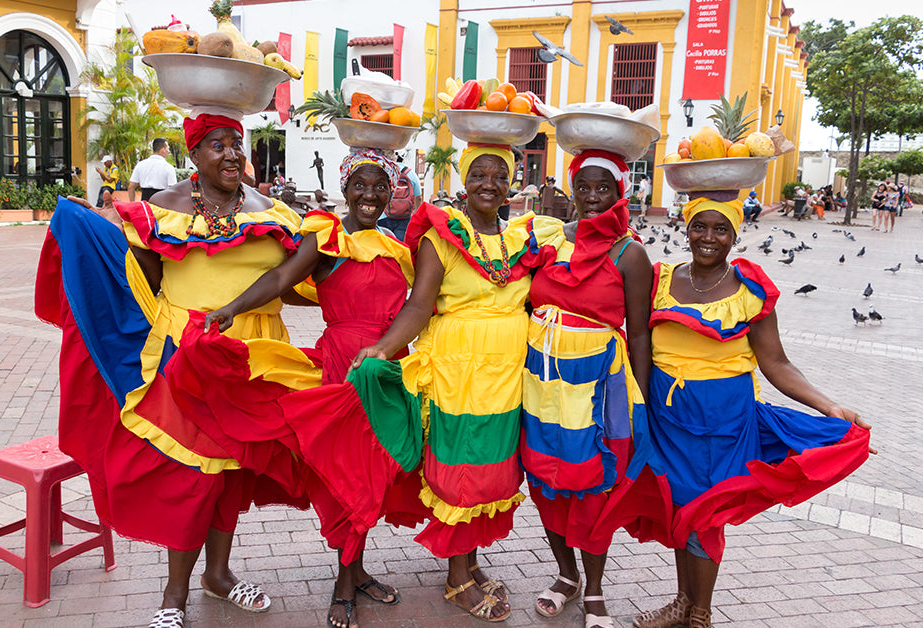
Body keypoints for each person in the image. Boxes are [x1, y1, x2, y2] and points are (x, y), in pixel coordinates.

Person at [36, 112, 313, 628]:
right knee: (193, 473)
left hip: (257, 355)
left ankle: (220, 575)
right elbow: (139, 282)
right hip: (187, 355)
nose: (231, 154)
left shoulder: (275, 212)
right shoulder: (162, 211)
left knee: (231, 473)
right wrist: (91, 231)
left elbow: (293, 282)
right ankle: (173, 596)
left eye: (237, 144)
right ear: (193, 155)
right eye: (217, 145)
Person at [630, 197, 873, 628]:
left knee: (707, 513)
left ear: (735, 235)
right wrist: (642, 407)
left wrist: (829, 405)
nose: (708, 238)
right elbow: (641, 346)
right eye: (699, 227)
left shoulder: (749, 290)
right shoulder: (660, 279)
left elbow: (776, 363)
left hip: (724, 421)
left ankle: (700, 615)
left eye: (720, 229)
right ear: (686, 228)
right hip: (668, 418)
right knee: (680, 506)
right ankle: (684, 602)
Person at [203, 148, 418, 628]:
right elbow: (281, 277)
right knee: (350, 476)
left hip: (387, 370)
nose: (370, 195)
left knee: (376, 476)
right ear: (344, 187)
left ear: (392, 191)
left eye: (380, 186)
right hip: (345, 370)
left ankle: (357, 570)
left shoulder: (396, 245)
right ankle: (344, 584)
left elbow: (413, 308)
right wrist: (232, 309)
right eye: (360, 185)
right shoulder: (326, 237)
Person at [350, 144, 560, 622]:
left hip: (507, 376)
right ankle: (457, 578)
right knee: (462, 473)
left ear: (511, 184)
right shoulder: (441, 238)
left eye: (499, 175)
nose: (489, 183)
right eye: (479, 174)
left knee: (493, 470)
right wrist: (383, 348)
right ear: (465, 182)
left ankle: (471, 562)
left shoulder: (522, 240)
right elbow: (419, 306)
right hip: (458, 374)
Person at [523, 150, 654, 628]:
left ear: (620, 191)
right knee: (546, 480)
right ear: (571, 189)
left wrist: (640, 400)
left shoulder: (630, 253)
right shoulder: (551, 241)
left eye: (604, 187)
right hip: (541, 384)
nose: (593, 197)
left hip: (602, 392)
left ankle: (594, 588)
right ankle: (566, 575)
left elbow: (639, 332)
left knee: (594, 484)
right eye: (584, 186)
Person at [377, 160, 422, 241]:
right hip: (404, 217)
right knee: (400, 246)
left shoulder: (384, 170)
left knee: (382, 246)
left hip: (382, 216)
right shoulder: (410, 173)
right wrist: (416, 214)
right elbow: (418, 196)